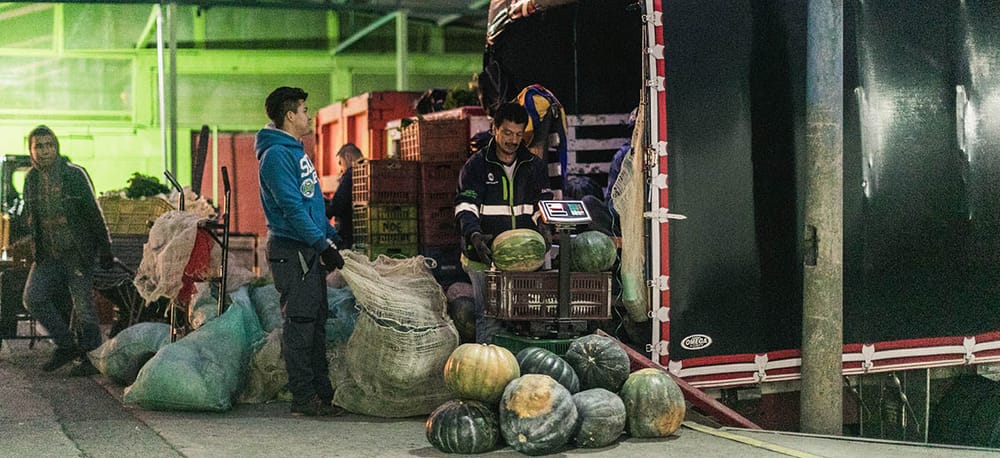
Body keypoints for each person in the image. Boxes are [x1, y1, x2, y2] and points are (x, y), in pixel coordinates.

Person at [255, 86, 345, 417]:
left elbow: (311, 204)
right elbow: (292, 209)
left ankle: (320, 394)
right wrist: (322, 245)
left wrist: (331, 235)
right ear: (290, 115)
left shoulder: (296, 152)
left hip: (308, 249)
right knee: (301, 324)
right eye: (305, 110)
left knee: (316, 322)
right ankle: (304, 399)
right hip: (293, 251)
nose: (309, 115)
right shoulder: (276, 156)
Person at [455, 102, 553, 344]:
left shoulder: (533, 166)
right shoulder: (476, 166)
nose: (513, 140)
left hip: (524, 258)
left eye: (519, 134)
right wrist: (474, 236)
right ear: (494, 129)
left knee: (525, 315)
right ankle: (487, 370)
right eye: (507, 133)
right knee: (489, 317)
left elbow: (543, 203)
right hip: (483, 256)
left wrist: (544, 226)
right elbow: (466, 206)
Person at [22, 125, 115, 376]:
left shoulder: (74, 174)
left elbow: (93, 213)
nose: (45, 151)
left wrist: (105, 248)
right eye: (38, 146)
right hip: (48, 255)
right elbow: (32, 219)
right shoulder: (30, 180)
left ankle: (92, 357)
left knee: (83, 305)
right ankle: (66, 345)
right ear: (30, 150)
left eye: (49, 145)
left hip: (77, 251)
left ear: (57, 147)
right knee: (33, 297)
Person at [325, 143, 363, 249]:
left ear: (347, 157)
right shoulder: (366, 173)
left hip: (349, 236)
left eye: (340, 163)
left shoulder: (350, 174)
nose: (341, 169)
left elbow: (337, 206)